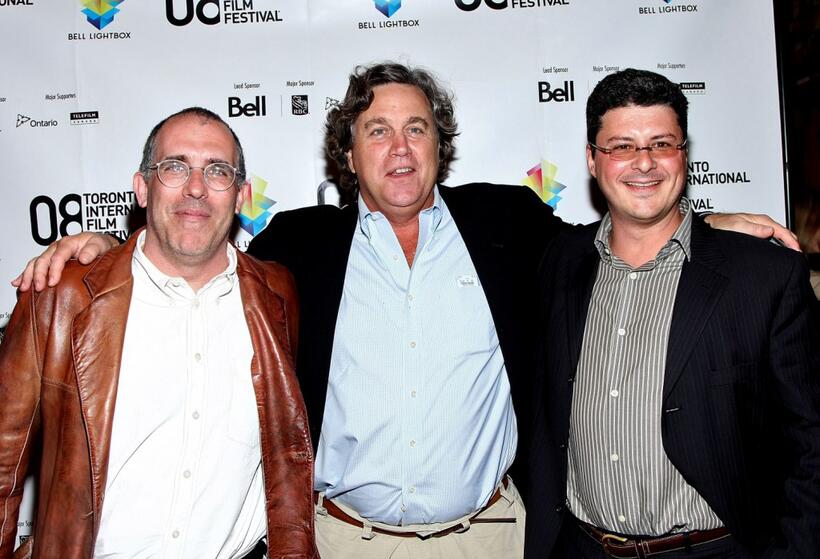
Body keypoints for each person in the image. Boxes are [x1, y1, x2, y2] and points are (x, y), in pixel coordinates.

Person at [11, 62, 801, 559]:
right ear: (348, 153)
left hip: (491, 539)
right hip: (342, 540)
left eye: (416, 128)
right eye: (378, 130)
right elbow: (191, 239)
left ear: (439, 145)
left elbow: (621, 233)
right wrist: (96, 247)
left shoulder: (507, 223)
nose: (399, 148)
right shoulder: (297, 249)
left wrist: (714, 223)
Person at [525, 69, 820, 558]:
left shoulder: (764, 276)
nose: (644, 163)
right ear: (592, 160)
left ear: (684, 154)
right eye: (622, 146)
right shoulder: (560, 261)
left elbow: (811, 442)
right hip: (581, 548)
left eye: (661, 144)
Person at [0, 107, 318, 559]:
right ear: (142, 188)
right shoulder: (60, 297)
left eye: (217, 170)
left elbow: (287, 452)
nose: (196, 188)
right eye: (175, 167)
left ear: (241, 196)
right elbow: (3, 468)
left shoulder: (277, 295)